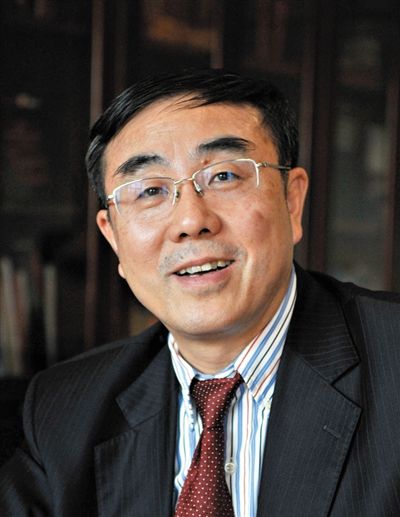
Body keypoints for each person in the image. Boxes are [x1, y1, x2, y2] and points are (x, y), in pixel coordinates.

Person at [1, 69, 400, 517]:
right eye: (150, 190)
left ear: (292, 201)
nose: (191, 221)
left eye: (224, 176)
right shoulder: (65, 410)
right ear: (113, 238)